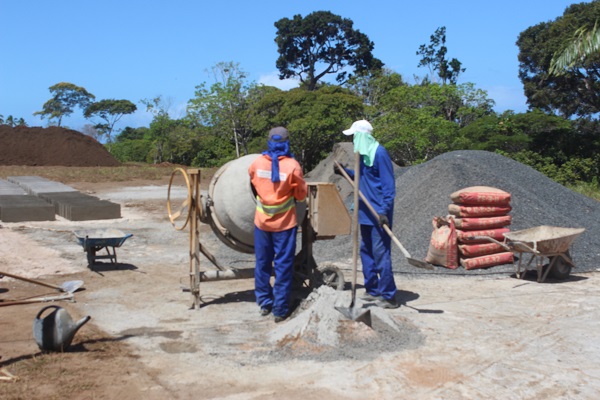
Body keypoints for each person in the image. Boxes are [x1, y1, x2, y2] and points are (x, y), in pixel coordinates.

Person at [334, 119, 399, 309]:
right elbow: (362, 176)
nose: (353, 141)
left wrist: (384, 211)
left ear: (362, 136)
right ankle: (373, 290)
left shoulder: (379, 153)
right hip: (364, 211)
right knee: (366, 251)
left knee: (381, 254)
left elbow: (388, 186)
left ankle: (389, 296)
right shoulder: (363, 155)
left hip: (378, 213)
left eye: (355, 136)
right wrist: (343, 171)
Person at [248, 127, 308, 322]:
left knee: (263, 264)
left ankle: (264, 303)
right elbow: (301, 194)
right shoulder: (293, 166)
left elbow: (252, 183)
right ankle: (280, 310)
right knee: (283, 266)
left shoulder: (256, 163)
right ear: (287, 142)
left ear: (269, 142)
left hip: (262, 223)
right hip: (284, 224)